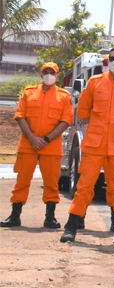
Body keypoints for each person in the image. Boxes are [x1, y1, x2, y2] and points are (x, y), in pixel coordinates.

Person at [60, 47, 114, 246]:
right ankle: (71, 227)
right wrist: (101, 126)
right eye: (113, 58)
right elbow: (83, 112)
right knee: (84, 186)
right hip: (94, 144)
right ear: (108, 61)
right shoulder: (94, 82)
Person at [1, 63, 73, 229]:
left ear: (57, 75)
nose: (49, 75)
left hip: (51, 146)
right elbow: (20, 116)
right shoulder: (28, 92)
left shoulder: (63, 96)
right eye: (46, 72)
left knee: (51, 183)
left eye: (52, 73)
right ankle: (14, 216)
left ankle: (50, 218)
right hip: (28, 145)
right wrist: (32, 138)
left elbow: (65, 121)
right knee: (22, 181)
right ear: (41, 74)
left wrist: (46, 139)